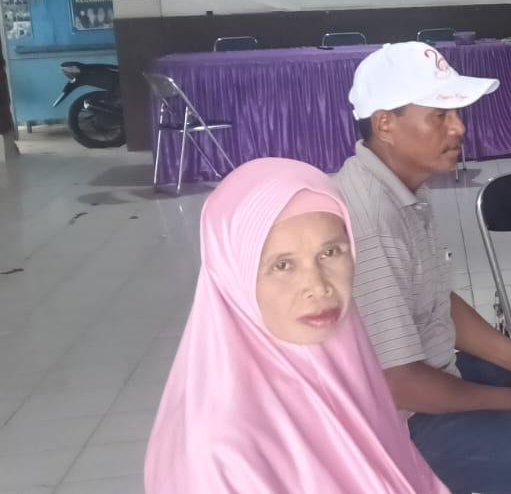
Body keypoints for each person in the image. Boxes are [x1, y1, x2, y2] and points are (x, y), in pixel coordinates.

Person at [336, 42, 511, 494]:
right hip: (393, 425)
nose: (459, 127)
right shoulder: (371, 219)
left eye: (456, 113)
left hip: (433, 375)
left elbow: (438, 301)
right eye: (439, 116)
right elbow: (400, 383)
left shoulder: (401, 188)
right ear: (385, 123)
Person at [146, 158, 447, 493]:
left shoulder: (345, 370)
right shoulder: (220, 455)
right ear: (233, 275)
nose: (318, 286)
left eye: (330, 252)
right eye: (283, 265)